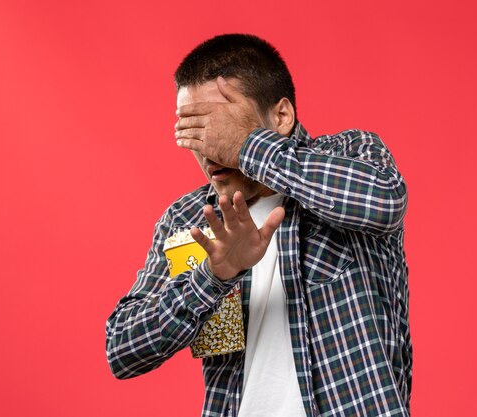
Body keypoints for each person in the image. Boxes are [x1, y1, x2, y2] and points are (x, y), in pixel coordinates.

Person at [106, 34, 412, 417]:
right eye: (196, 130)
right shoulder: (189, 218)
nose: (210, 147)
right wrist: (213, 276)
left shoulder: (350, 155)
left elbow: (382, 201)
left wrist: (247, 147)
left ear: (281, 116)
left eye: (219, 125)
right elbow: (122, 350)